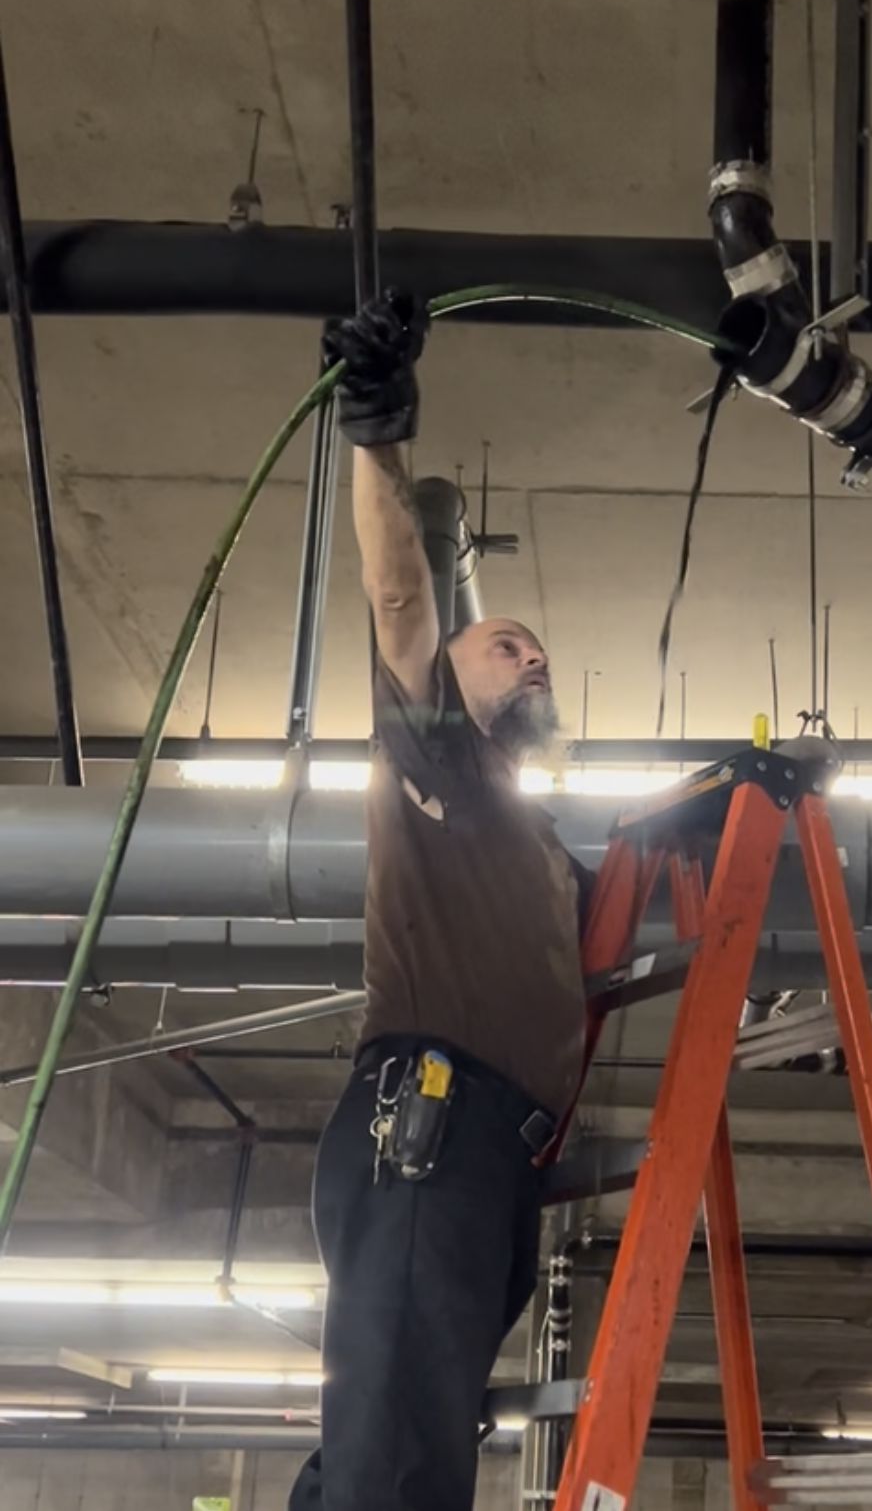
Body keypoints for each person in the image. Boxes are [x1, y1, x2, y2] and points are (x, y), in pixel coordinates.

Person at [288, 292, 592, 1511]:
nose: (533, 656)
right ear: (449, 677)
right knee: (402, 1455)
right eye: (506, 642)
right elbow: (402, 594)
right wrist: (377, 425)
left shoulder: (534, 839)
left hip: (487, 1157)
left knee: (399, 1436)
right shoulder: (435, 757)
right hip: (428, 1129)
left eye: (539, 652)